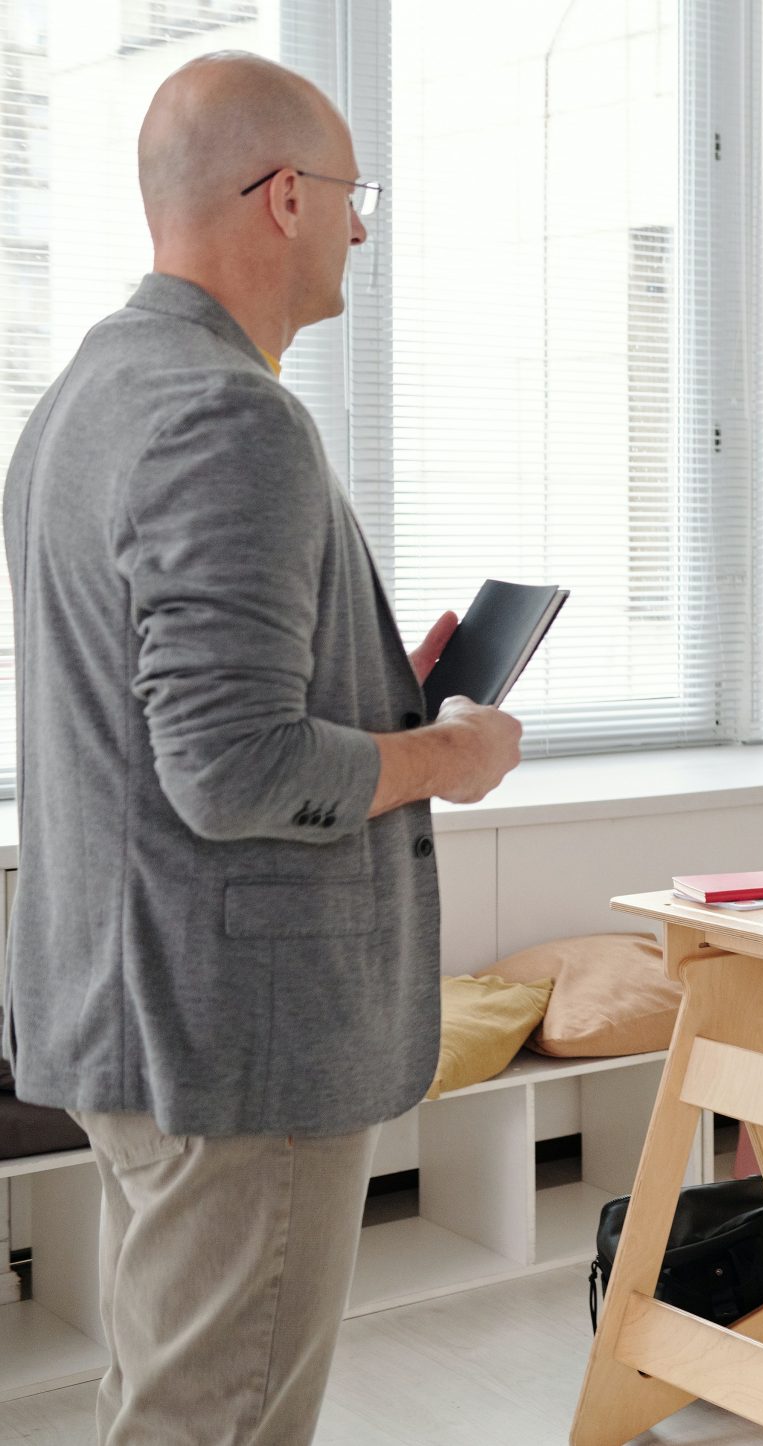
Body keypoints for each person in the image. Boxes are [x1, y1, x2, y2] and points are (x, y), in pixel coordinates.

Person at [0, 53, 522, 1444]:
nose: (360, 226)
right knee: (216, 1418)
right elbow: (229, 769)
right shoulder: (230, 416)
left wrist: (373, 697)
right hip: (235, 1035)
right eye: (354, 197)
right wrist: (448, 754)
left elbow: (158, 709)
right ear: (286, 196)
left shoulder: (83, 399)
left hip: (129, 1011)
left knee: (166, 1388)